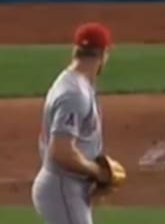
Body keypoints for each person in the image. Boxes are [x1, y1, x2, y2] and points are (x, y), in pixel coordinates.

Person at [31, 22, 127, 224]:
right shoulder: (74, 93)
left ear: (76, 50)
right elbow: (61, 152)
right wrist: (97, 172)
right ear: (104, 53)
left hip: (64, 186)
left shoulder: (73, 83)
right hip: (63, 189)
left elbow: (48, 145)